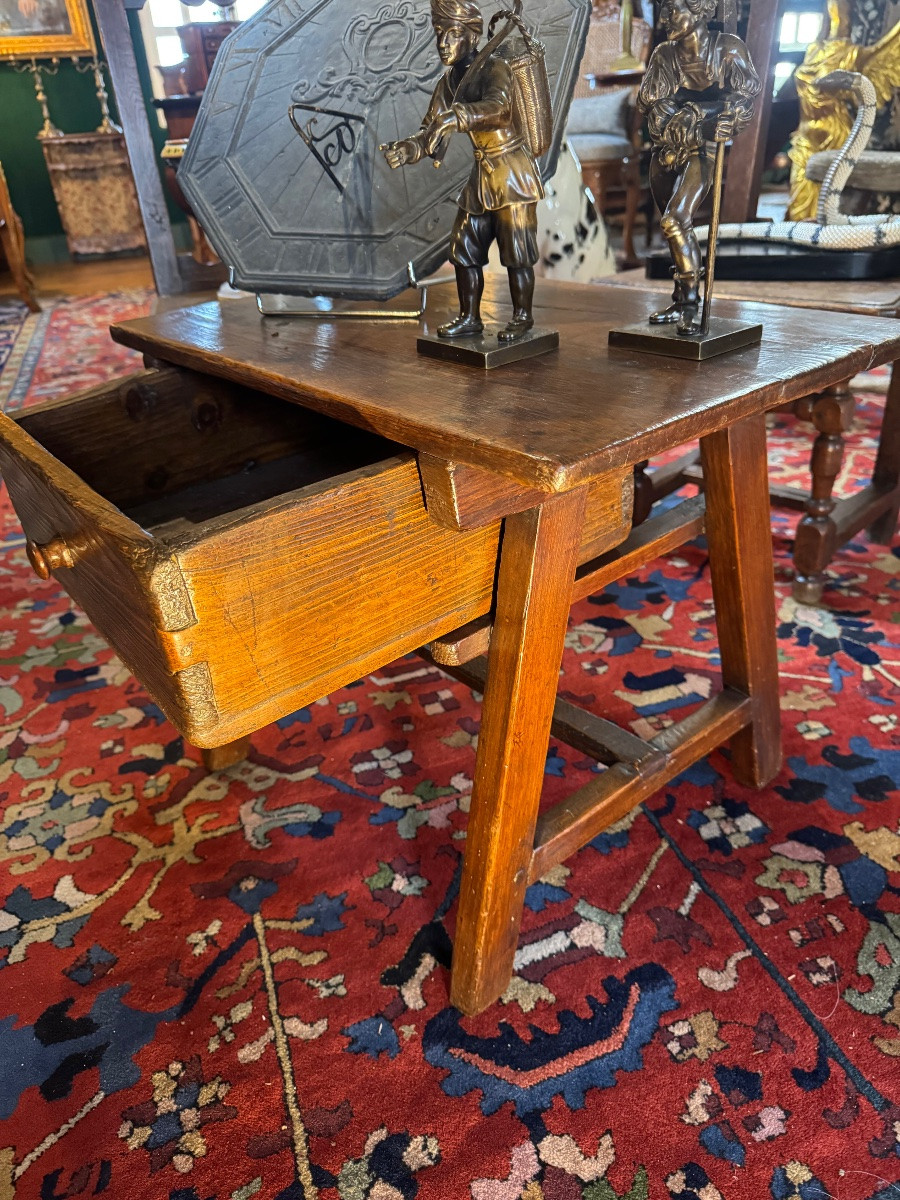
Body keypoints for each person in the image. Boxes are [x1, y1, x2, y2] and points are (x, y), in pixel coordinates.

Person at [381, 0, 543, 342]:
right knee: (464, 248)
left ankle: (523, 317)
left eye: (452, 34)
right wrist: (408, 148)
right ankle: (470, 317)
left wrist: (457, 118)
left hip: (513, 173)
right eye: (440, 34)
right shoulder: (448, 83)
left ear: (472, 36)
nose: (443, 43)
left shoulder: (495, 66)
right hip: (482, 176)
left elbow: (499, 109)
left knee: (517, 254)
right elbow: (430, 132)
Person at [638, 0, 759, 332]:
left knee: (675, 220)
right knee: (674, 232)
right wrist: (669, 115)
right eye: (664, 10)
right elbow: (650, 103)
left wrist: (701, 113)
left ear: (700, 11)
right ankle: (680, 299)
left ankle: (691, 303)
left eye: (674, 10)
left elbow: (742, 100)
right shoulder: (665, 54)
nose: (665, 19)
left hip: (703, 150)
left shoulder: (728, 50)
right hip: (665, 153)